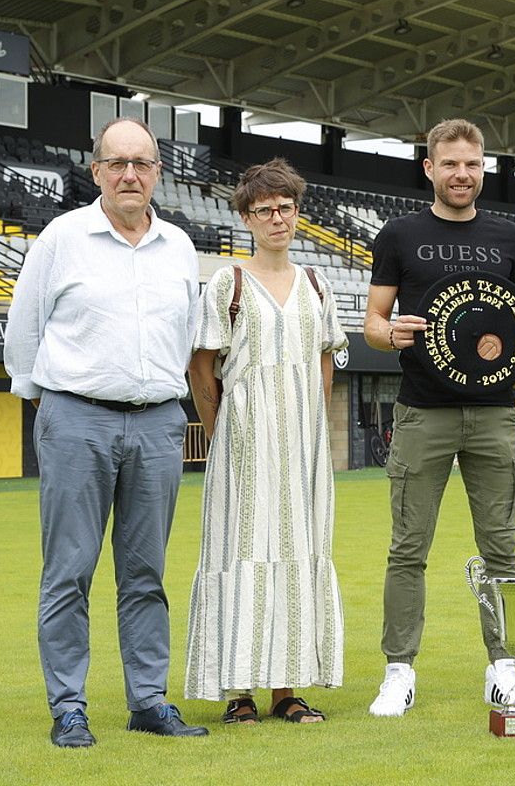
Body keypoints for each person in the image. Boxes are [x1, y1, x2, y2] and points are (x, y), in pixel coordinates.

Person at [4, 117, 209, 748]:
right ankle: (68, 706)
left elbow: (189, 337)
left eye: (142, 164)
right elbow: (24, 330)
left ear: (157, 174)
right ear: (96, 171)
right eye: (117, 163)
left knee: (145, 573)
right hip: (76, 418)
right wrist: (51, 406)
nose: (129, 174)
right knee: (69, 571)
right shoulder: (62, 237)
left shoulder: (179, 245)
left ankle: (148, 701)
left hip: (157, 422)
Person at [363, 118, 515, 717]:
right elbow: (373, 322)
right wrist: (391, 335)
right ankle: (399, 671)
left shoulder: (509, 239)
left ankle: (506, 668)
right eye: (450, 164)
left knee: (503, 549)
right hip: (423, 413)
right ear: (430, 168)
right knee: (407, 548)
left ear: (483, 167)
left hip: (495, 413)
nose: (462, 175)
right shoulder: (399, 234)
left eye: (471, 164)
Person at [183, 158, 347, 725]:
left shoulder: (317, 284)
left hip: (303, 452)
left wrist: (314, 433)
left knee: (298, 554)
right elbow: (202, 369)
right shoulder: (226, 283)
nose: (276, 218)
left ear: (297, 213)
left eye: (285, 208)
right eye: (264, 210)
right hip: (244, 447)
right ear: (246, 218)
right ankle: (239, 693)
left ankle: (287, 691)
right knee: (241, 554)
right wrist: (221, 432)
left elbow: (326, 364)